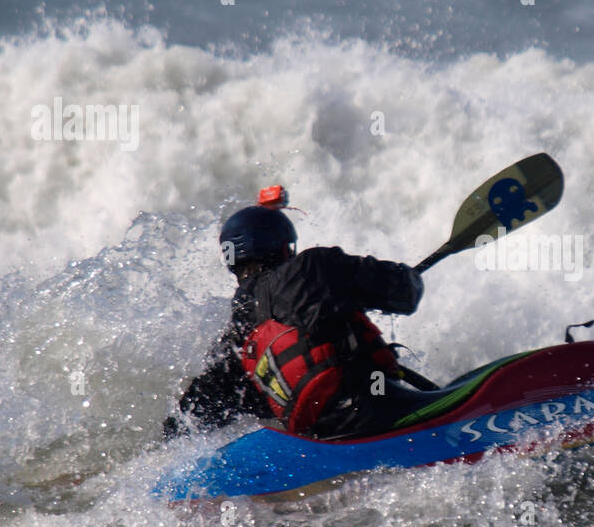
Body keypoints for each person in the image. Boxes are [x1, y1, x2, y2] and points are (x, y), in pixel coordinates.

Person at [164, 188, 427, 440]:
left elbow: (193, 413)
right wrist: (407, 278)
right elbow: (406, 294)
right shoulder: (314, 267)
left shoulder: (236, 338)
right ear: (282, 247)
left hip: (326, 440)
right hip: (382, 412)